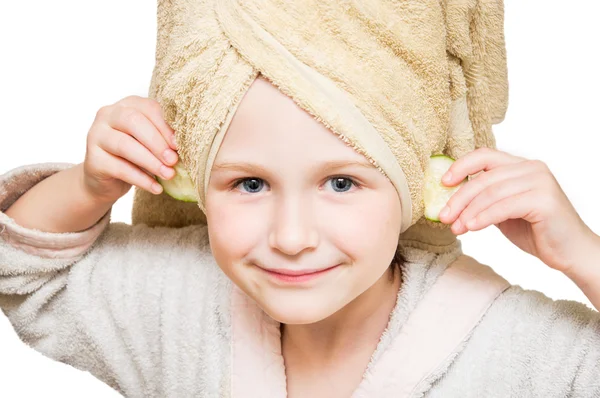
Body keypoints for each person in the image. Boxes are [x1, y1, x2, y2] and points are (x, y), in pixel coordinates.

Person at [1, 74, 600, 398]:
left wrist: (581, 253)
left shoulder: (514, 347)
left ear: (419, 186)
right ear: (193, 182)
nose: (290, 237)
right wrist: (89, 187)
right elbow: (24, 272)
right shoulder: (175, 308)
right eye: (250, 184)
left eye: (341, 183)